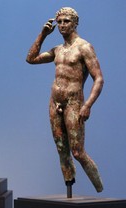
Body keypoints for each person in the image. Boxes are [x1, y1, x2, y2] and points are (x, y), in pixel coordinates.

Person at [26, 7, 104, 192]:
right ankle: (69, 183)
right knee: (61, 147)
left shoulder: (84, 47)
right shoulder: (58, 50)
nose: (62, 25)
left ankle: (99, 188)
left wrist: (88, 105)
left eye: (66, 21)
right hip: (55, 102)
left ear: (75, 23)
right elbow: (31, 58)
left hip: (73, 102)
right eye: (59, 21)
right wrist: (42, 34)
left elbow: (99, 78)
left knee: (77, 152)